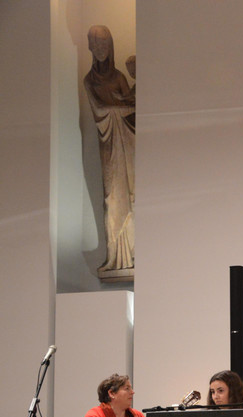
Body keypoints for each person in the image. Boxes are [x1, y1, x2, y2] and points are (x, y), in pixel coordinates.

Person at [84, 25, 136, 276]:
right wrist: (123, 108)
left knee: (132, 196)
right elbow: (100, 111)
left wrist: (127, 107)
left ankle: (133, 254)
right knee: (112, 199)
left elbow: (135, 112)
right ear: (90, 46)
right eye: (96, 43)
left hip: (128, 142)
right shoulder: (89, 81)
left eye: (104, 43)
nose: (100, 48)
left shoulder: (119, 78)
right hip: (108, 146)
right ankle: (115, 257)